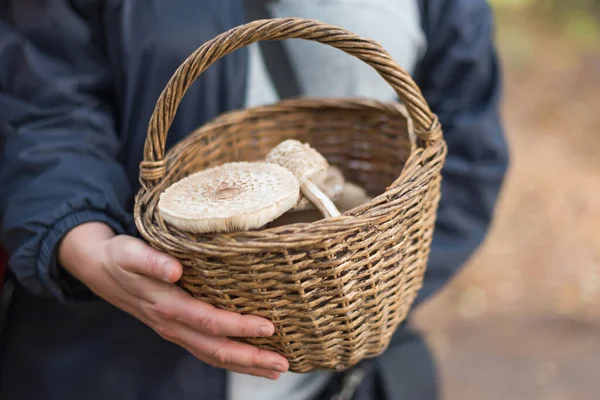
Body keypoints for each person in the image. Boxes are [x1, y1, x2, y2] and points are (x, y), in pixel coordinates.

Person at [0, 0, 509, 399]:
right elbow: (44, 107)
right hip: (110, 365)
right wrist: (81, 239)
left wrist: (361, 295)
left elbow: (465, 148)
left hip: (345, 376)